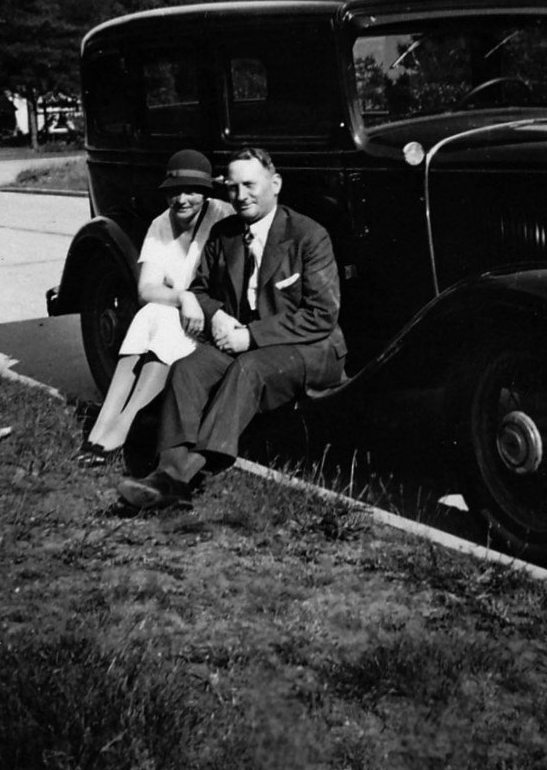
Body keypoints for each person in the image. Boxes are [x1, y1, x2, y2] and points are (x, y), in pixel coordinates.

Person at [117, 146, 346, 510]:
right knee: (189, 368)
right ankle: (168, 468)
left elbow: (322, 315)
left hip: (309, 348)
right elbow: (199, 291)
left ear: (275, 183)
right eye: (233, 187)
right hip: (244, 341)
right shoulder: (225, 233)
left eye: (250, 185)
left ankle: (179, 478)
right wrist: (217, 315)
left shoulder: (308, 235)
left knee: (247, 369)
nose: (241, 196)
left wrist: (251, 336)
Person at [77, 150, 233, 466]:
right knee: (150, 313)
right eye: (175, 191)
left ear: (205, 192)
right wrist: (183, 298)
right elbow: (146, 289)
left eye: (191, 191)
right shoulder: (161, 224)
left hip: (212, 317)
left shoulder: (222, 216)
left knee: (164, 322)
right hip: (182, 311)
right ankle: (104, 424)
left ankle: (122, 428)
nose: (182, 199)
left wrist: (195, 302)